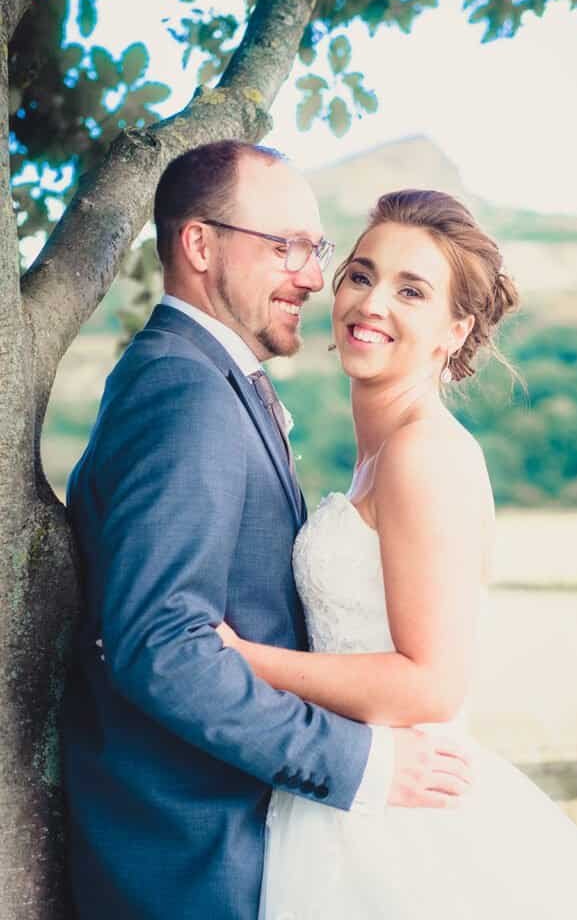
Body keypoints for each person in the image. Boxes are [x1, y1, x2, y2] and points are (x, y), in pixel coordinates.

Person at [216, 189, 577, 919]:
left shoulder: (424, 454)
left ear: (453, 331)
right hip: (341, 799)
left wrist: (239, 658)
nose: (371, 302)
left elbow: (430, 686)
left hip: (402, 819)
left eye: (411, 290)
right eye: (361, 275)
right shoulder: (378, 453)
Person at [60, 144, 473, 920]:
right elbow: (163, 648)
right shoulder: (186, 393)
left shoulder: (209, 378)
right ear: (200, 244)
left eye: (316, 251)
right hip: (192, 852)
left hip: (256, 835)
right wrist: (359, 763)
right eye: (285, 247)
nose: (313, 277)